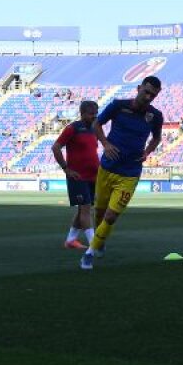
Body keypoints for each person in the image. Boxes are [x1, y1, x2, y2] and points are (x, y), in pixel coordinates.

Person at [81, 77, 164, 270]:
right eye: (146, 91)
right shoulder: (118, 106)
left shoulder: (155, 116)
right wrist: (106, 143)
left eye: (153, 94)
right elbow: (96, 124)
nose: (149, 96)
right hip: (107, 168)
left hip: (130, 173)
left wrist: (147, 152)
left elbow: (157, 138)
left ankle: (89, 253)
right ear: (138, 88)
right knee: (100, 213)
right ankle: (99, 241)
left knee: (111, 216)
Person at [51, 100, 99, 250]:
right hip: (78, 177)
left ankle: (71, 240)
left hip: (93, 177)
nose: (94, 116)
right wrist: (66, 168)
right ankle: (94, 243)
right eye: (91, 114)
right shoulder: (72, 129)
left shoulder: (94, 130)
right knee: (86, 210)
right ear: (82, 113)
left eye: (95, 114)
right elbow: (56, 147)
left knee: (82, 210)